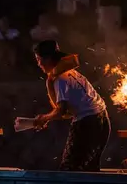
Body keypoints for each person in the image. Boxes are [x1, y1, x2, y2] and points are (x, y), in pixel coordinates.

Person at [33, 40, 110, 171]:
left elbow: (61, 111)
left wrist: (43, 118)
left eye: (39, 59)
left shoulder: (60, 79)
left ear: (48, 59)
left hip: (87, 124)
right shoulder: (73, 73)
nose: (38, 64)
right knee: (90, 168)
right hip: (103, 120)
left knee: (69, 169)